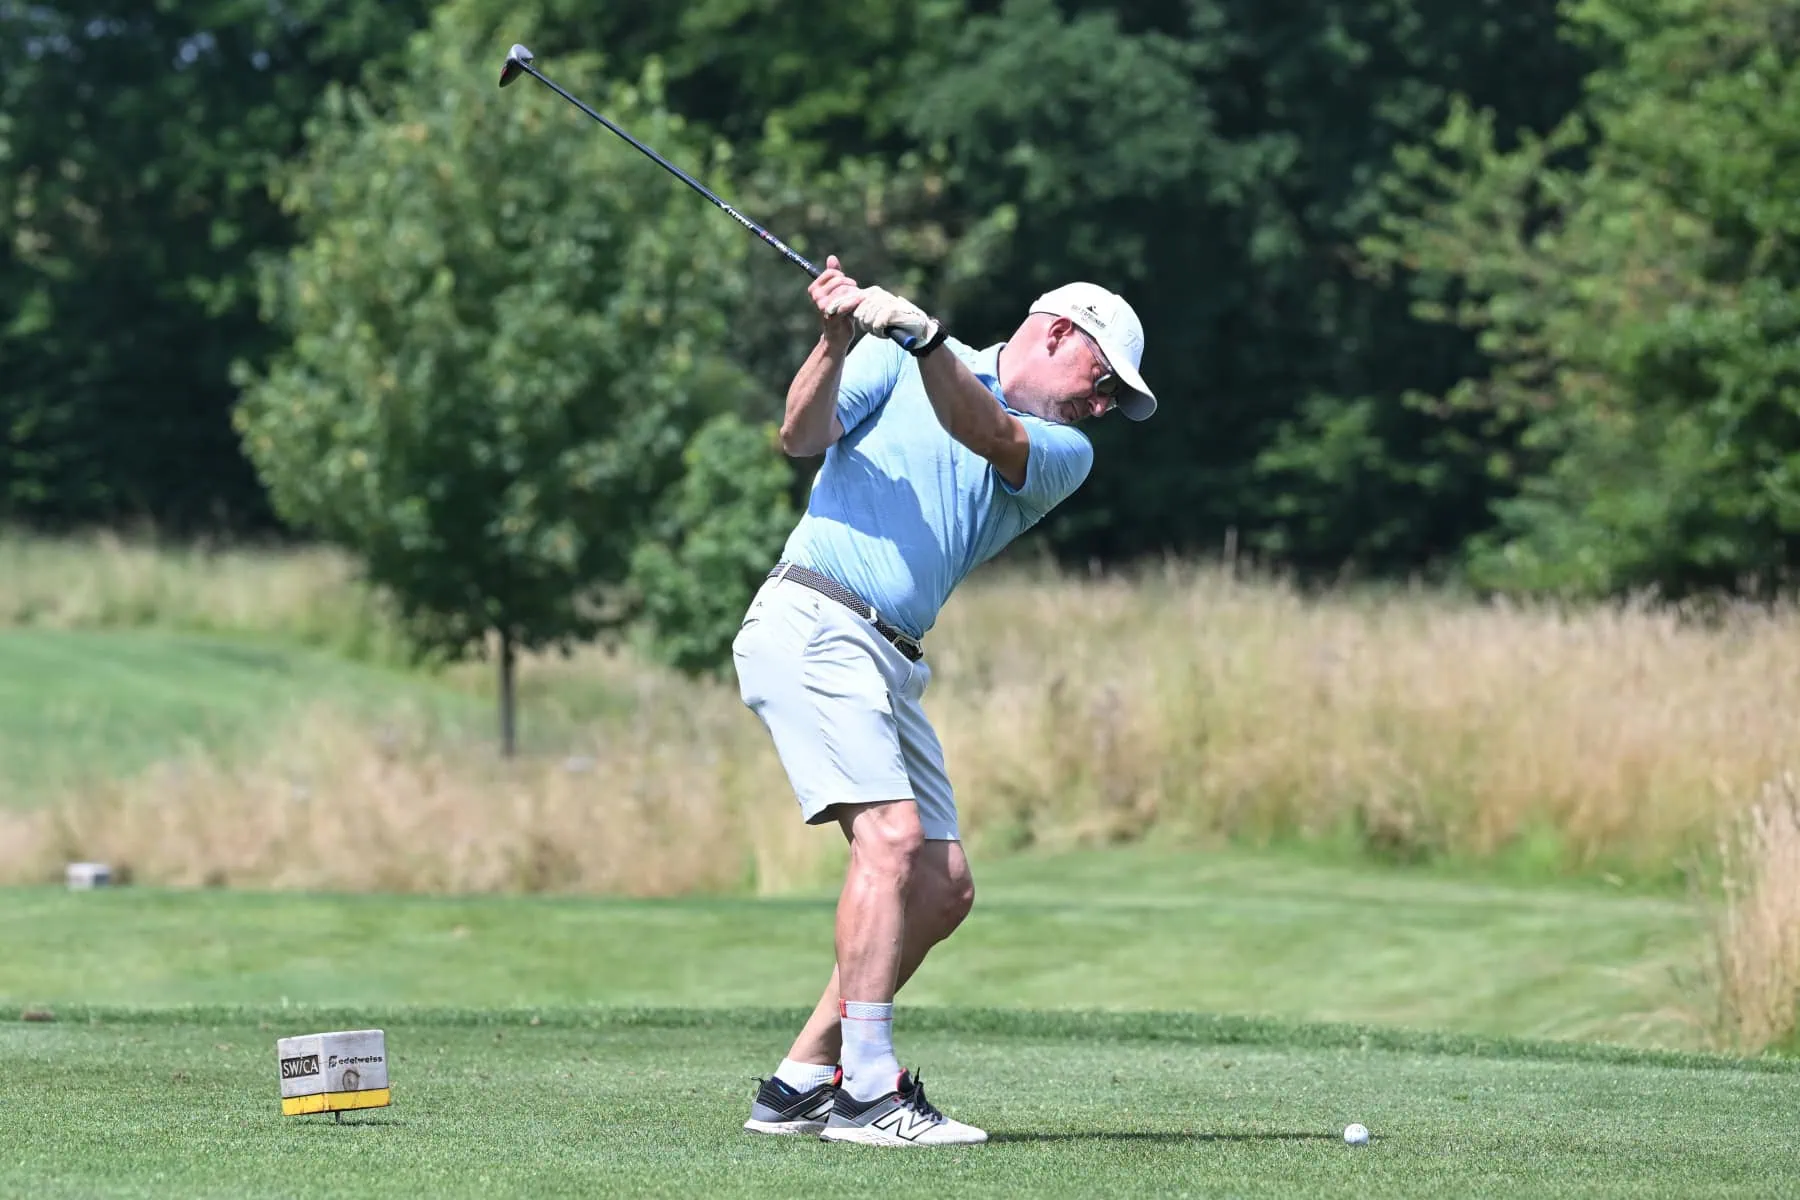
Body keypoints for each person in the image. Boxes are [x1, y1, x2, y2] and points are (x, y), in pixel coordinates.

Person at [731, 254, 1157, 1147]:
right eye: (1103, 382)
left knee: (943, 886)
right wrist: (834, 340)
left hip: (891, 657)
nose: (1103, 405)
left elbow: (984, 429)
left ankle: (802, 1078)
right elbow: (799, 437)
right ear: (1058, 333)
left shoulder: (1064, 451)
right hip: (816, 617)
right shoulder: (893, 355)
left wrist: (924, 339)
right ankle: (868, 1089)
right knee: (891, 841)